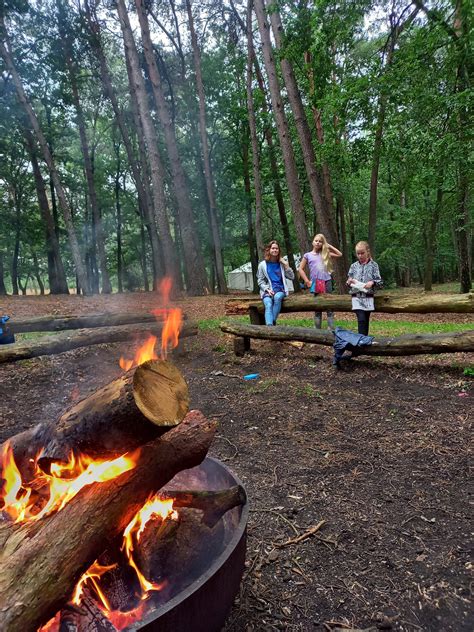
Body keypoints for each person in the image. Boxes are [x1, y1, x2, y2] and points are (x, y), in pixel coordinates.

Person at [298, 233, 342, 330]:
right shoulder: (307, 255)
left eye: (320, 241)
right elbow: (300, 269)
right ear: (313, 242)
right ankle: (317, 330)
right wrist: (307, 281)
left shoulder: (325, 254)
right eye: (316, 241)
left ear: (323, 244)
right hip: (316, 283)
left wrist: (328, 246)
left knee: (329, 306)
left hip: (327, 281)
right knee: (317, 307)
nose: (318, 243)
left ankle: (331, 329)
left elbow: (339, 254)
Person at [347, 241, 383, 335]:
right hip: (356, 297)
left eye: (362, 253)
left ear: (367, 252)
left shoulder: (374, 265)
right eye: (358, 253)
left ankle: (364, 342)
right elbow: (348, 281)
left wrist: (372, 282)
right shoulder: (353, 266)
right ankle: (360, 344)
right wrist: (349, 282)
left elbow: (380, 282)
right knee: (361, 319)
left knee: (365, 320)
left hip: (368, 297)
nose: (360, 255)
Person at [257, 240, 295, 326]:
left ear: (279, 250)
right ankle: (270, 327)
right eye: (273, 248)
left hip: (280, 289)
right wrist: (267, 289)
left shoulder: (281, 263)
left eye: (276, 248)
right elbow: (260, 280)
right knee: (268, 304)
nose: (275, 250)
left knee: (277, 298)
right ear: (269, 250)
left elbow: (292, 277)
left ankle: (271, 323)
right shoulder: (262, 264)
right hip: (268, 291)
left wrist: (286, 265)